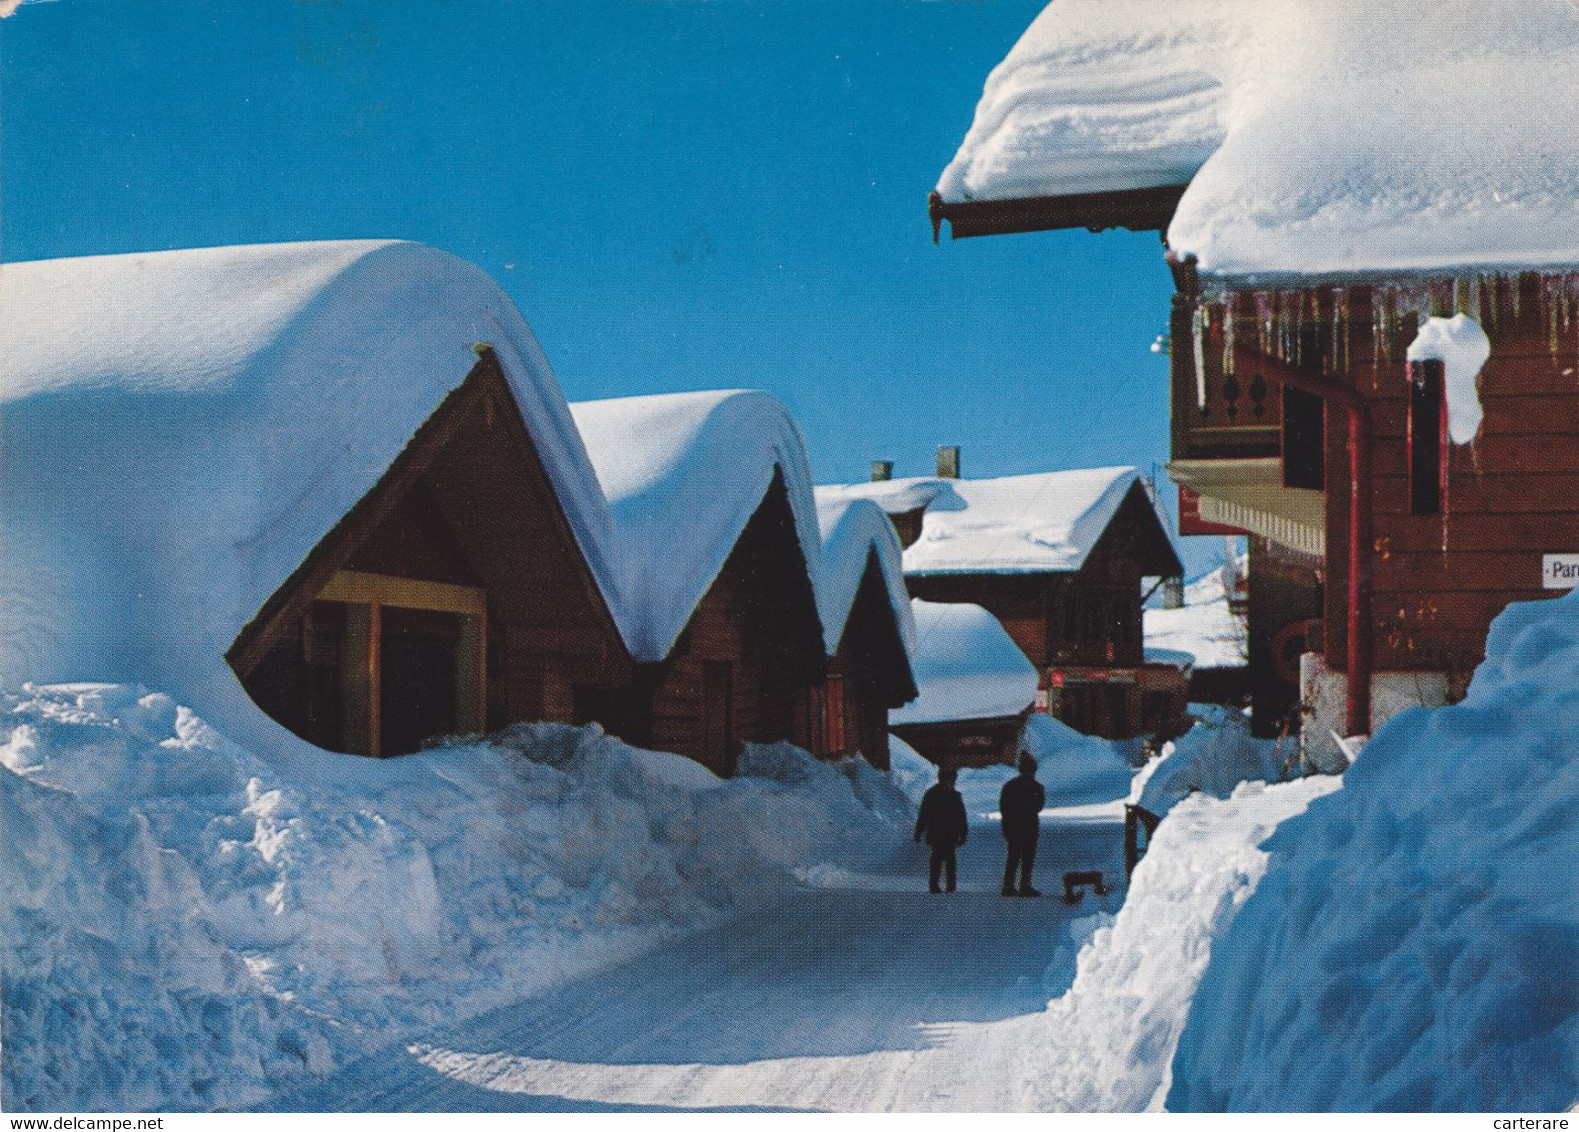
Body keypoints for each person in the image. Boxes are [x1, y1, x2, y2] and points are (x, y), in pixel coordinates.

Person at [913, 764, 968, 894]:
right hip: (948, 833)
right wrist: (963, 833)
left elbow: (923, 815)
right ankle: (949, 885)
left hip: (936, 832)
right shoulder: (954, 796)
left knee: (938, 859)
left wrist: (919, 831)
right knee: (948, 859)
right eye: (952, 779)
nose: (953, 782)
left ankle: (936, 885)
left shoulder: (931, 794)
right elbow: (961, 816)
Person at [999, 751, 1046, 897]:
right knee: (1027, 857)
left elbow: (1003, 807)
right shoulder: (1037, 787)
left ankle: (1008, 885)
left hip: (1012, 826)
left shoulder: (1009, 786)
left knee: (1013, 855)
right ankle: (1025, 884)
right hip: (1029, 826)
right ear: (1033, 770)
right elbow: (1039, 807)